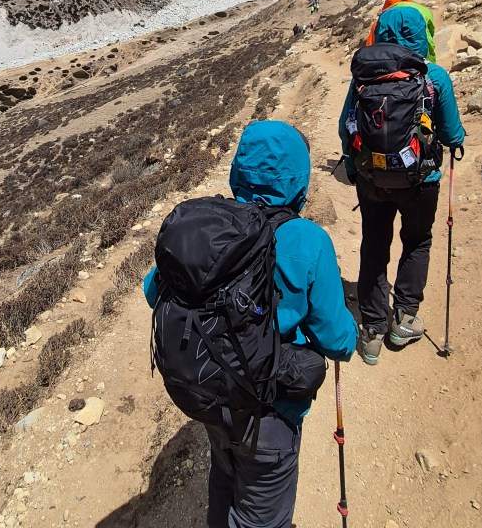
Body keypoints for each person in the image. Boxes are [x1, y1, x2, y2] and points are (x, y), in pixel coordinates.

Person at [144, 120, 357, 528]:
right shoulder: (309, 240)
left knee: (224, 476)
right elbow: (336, 340)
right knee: (263, 509)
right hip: (271, 411)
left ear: (237, 171)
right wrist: (352, 337)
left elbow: (154, 292)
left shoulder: (208, 231)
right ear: (299, 181)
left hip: (212, 395)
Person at [339, 5, 465, 365]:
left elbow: (345, 125)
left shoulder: (364, 77)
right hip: (420, 180)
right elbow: (452, 134)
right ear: (421, 34)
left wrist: (353, 166)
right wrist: (456, 142)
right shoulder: (433, 75)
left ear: (381, 33)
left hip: (372, 177)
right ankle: (404, 319)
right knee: (417, 240)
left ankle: (373, 330)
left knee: (374, 245)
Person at [364, 0, 437, 62]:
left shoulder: (385, 17)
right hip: (423, 53)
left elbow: (374, 44)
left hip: (393, 61)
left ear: (388, 1)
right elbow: (431, 31)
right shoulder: (424, 10)